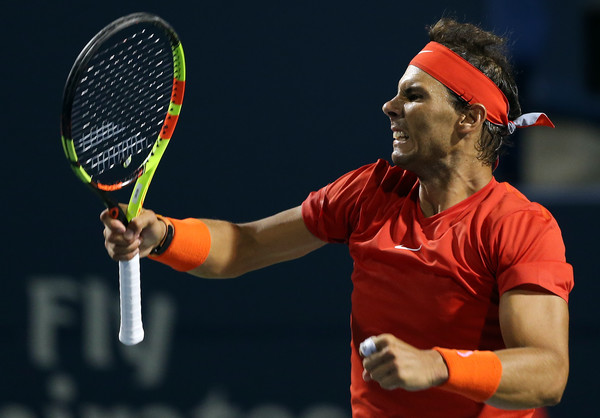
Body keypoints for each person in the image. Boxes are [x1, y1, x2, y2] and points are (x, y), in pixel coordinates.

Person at [101, 18, 573, 418]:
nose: (389, 107)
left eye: (413, 96)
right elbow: (245, 246)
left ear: (467, 119)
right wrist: (162, 235)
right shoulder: (371, 190)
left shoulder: (521, 226)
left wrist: (438, 366)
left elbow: (548, 373)